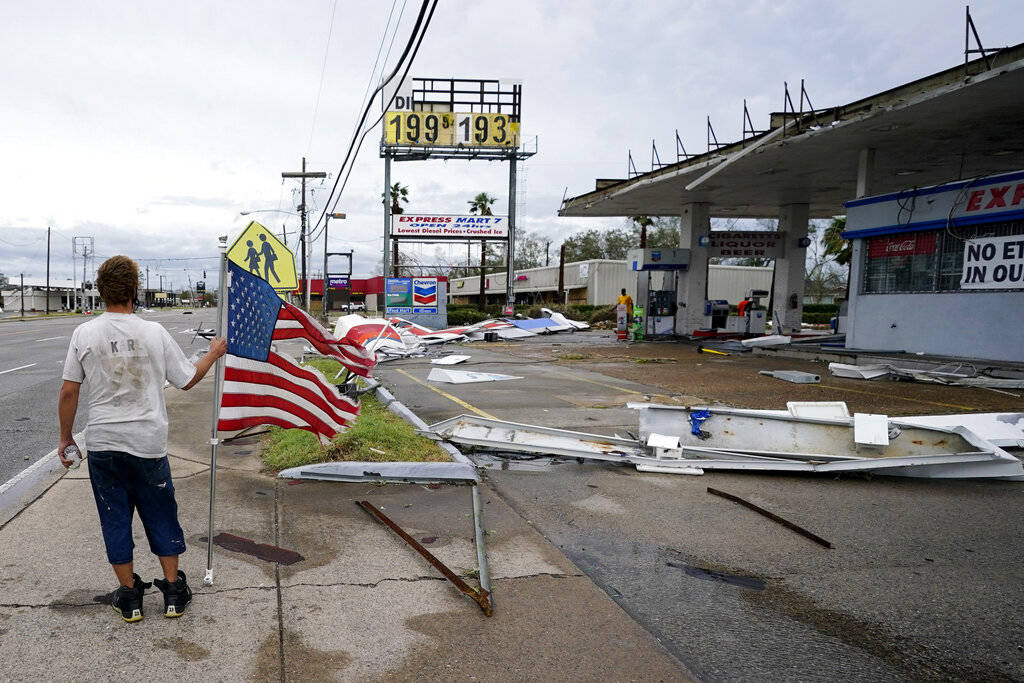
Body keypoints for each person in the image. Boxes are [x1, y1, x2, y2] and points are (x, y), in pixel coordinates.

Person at [58, 255, 227, 623]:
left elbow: (69, 392)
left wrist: (66, 437)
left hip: (103, 444)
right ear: (134, 290)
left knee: (114, 518)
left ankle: (131, 597)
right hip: (147, 444)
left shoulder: (84, 334)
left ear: (101, 292)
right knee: (161, 514)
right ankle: (172, 592)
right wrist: (212, 354)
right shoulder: (154, 333)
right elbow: (186, 379)